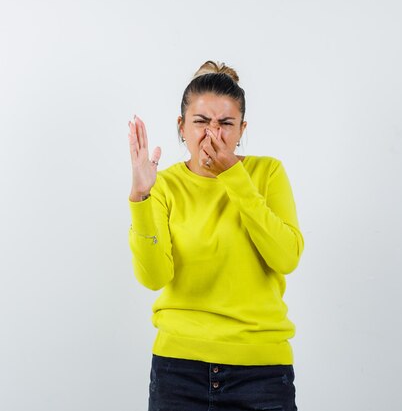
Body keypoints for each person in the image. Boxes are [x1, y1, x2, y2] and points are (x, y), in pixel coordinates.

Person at [126, 60, 304, 411]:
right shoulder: (165, 185)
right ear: (181, 126)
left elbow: (286, 258)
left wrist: (235, 177)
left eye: (226, 124)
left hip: (262, 374)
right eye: (201, 122)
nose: (213, 134)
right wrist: (141, 198)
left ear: (241, 129)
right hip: (178, 371)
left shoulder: (267, 173)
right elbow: (153, 277)